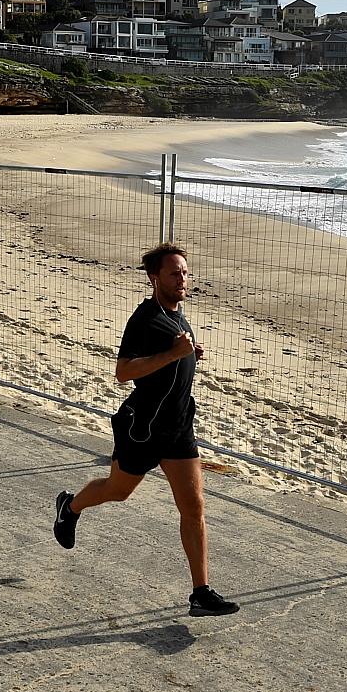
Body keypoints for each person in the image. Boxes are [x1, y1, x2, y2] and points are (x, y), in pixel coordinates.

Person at [53, 243, 240, 617]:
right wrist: (172, 355)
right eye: (175, 273)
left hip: (178, 427)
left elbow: (172, 355)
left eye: (185, 272)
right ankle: (70, 507)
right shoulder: (144, 318)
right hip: (143, 428)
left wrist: (189, 353)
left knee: (193, 507)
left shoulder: (177, 314)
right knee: (117, 491)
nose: (182, 278)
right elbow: (123, 372)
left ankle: (200, 593)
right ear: (155, 278)